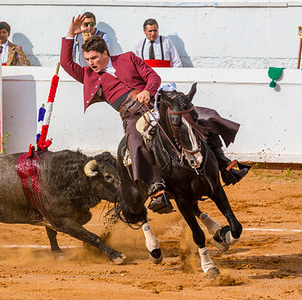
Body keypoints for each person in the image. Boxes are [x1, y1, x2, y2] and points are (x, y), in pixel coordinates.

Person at [61, 15, 248, 214]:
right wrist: (71, 35)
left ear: (104, 52)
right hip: (133, 116)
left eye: (94, 58)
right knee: (135, 142)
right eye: (87, 59)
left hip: (158, 101)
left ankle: (224, 164)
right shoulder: (88, 75)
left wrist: (148, 91)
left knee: (202, 115)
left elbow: (152, 76)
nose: (90, 63)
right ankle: (156, 188)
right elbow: (66, 63)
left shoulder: (128, 58)